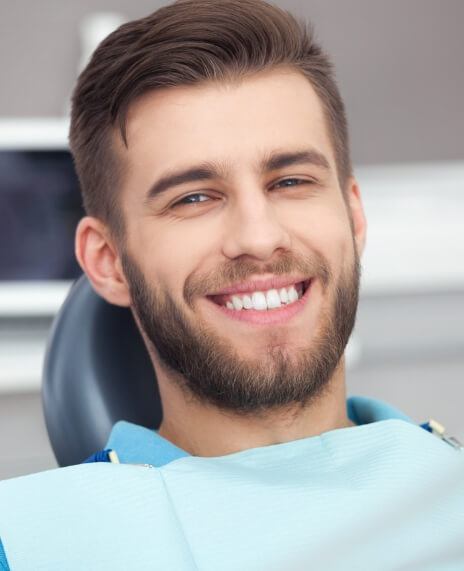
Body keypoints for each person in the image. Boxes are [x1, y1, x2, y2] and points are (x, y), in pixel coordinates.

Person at [1, 1, 463, 569]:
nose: (259, 237)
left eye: (291, 180)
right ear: (108, 261)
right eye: (193, 197)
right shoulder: (23, 543)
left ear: (354, 217)